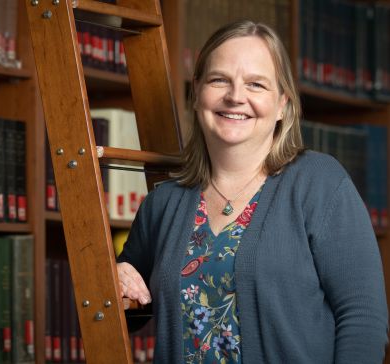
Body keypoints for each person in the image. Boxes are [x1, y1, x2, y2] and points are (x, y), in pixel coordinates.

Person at [116, 20, 388, 363]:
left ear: (282, 104)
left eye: (256, 84)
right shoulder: (163, 202)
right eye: (219, 80)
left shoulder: (319, 183)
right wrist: (113, 278)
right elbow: (127, 314)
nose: (235, 96)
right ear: (197, 92)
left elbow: (363, 319)